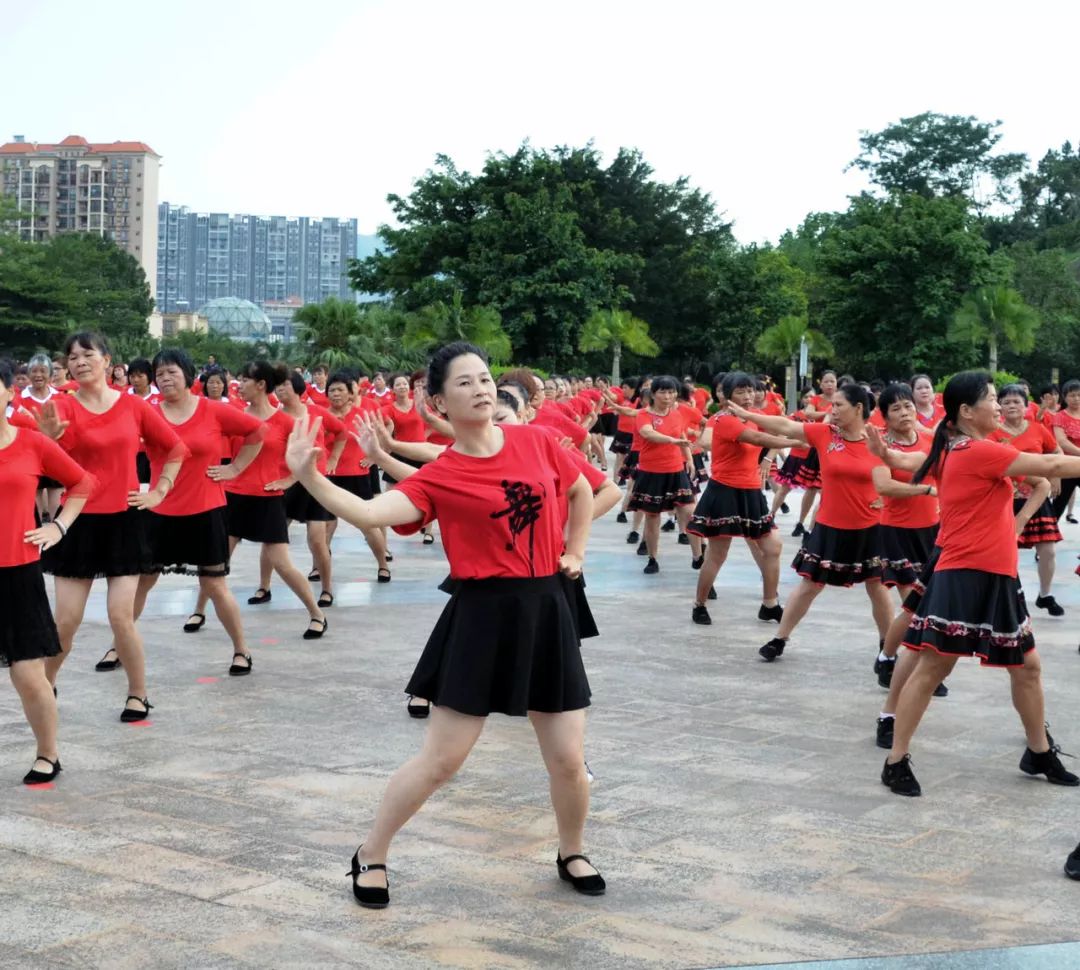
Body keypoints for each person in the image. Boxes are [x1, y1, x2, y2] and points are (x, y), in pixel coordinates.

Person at [283, 341, 604, 908]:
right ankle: (372, 852)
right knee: (442, 761)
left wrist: (575, 551)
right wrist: (308, 477)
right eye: (465, 383)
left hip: (547, 609)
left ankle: (571, 849)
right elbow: (369, 513)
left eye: (485, 378)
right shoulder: (443, 473)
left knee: (568, 759)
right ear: (438, 402)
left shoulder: (537, 442)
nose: (481, 389)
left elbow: (583, 489)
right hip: (481, 617)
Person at [876, 372, 1080, 797]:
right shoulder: (974, 450)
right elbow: (1053, 465)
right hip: (964, 573)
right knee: (934, 665)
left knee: (1028, 667)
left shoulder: (957, 448)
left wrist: (889, 455)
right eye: (991, 398)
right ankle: (896, 761)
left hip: (997, 575)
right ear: (967, 412)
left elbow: (909, 462)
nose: (998, 405)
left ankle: (1038, 751)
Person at [33, 332, 188, 721]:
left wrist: (158, 492)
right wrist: (47, 440)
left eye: (88, 354)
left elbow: (176, 449)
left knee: (121, 616)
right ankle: (45, 685)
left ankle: (138, 693)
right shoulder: (62, 408)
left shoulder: (134, 406)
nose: (79, 361)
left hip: (124, 522)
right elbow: (39, 461)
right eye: (72, 357)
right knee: (66, 620)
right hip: (77, 523)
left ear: (107, 360)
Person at [120, 349, 265, 675]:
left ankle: (241, 650)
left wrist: (235, 468)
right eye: (159, 374)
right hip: (159, 510)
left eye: (171, 372)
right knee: (143, 581)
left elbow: (257, 432)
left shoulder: (213, 411)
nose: (164, 378)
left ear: (188, 375)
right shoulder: (148, 412)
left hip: (205, 509)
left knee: (213, 584)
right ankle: (120, 644)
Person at [728, 384, 895, 663]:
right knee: (810, 585)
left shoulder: (877, 441)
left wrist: (889, 500)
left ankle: (886, 651)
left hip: (871, 528)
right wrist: (749, 414)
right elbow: (784, 424)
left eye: (839, 405)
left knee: (876, 586)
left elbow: (899, 472)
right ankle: (779, 639)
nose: (833, 409)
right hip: (830, 526)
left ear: (858, 409)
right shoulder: (824, 434)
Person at [0, 361, 97, 783]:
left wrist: (58, 526)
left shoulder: (31, 443)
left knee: (29, 675)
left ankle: (48, 753)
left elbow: (82, 483)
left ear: (9, 392)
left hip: (18, 574)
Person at [191, 361, 328, 639]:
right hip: (232, 497)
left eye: (244, 380)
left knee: (283, 564)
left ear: (261, 385)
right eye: (238, 380)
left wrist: (289, 480)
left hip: (268, 499)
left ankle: (317, 614)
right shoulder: (236, 416)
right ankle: (199, 610)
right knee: (215, 562)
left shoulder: (286, 422)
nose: (238, 385)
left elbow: (310, 456)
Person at [687, 371, 799, 626]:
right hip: (725, 492)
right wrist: (798, 442)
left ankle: (769, 604)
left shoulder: (751, 419)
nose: (748, 396)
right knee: (718, 554)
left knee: (773, 547)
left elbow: (772, 430)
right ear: (726, 397)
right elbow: (758, 438)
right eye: (740, 391)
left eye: (750, 390)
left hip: (751, 493)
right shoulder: (725, 420)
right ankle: (699, 604)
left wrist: (797, 435)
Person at [990, 384, 1065, 616]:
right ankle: (1011, 595)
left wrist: (1055, 476)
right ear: (999, 406)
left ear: (1026, 406)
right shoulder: (992, 433)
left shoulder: (1038, 429)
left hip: (1037, 496)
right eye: (1006, 402)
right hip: (1005, 500)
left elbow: (1057, 454)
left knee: (1048, 550)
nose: (1012, 406)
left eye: (1017, 402)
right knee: (1005, 550)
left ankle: (1045, 594)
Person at [324, 372, 392, 581]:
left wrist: (375, 457)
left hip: (357, 474)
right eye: (332, 390)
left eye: (340, 390)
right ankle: (319, 565)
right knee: (324, 526)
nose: (335, 394)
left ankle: (382, 564)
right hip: (329, 476)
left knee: (367, 524)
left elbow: (385, 431)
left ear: (350, 393)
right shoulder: (321, 415)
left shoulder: (363, 414)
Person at [626, 376, 696, 574]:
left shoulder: (677, 414)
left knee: (689, 511)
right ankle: (652, 558)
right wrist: (672, 441)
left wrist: (688, 459)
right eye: (663, 392)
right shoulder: (643, 414)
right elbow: (648, 434)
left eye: (672, 392)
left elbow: (682, 437)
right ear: (653, 394)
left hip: (676, 470)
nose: (668, 396)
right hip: (651, 471)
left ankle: (698, 555)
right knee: (652, 516)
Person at [1050, 379, 1080, 520]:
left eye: (1079, 395)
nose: (1076, 398)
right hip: (1067, 466)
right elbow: (1062, 442)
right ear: (1065, 397)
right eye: (1072, 395)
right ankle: (1047, 536)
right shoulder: (1059, 417)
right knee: (1058, 506)